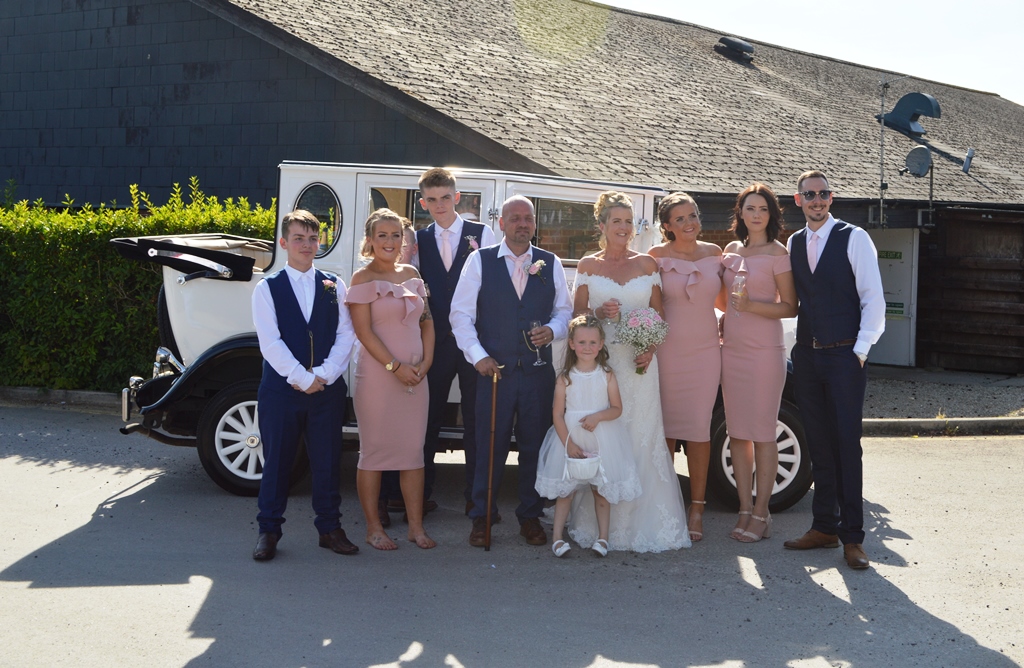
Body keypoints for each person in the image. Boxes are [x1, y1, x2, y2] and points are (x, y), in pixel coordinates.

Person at [570, 191, 690, 552]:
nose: (623, 228)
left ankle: (644, 520)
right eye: (616, 221)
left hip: (639, 367)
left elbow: (659, 316)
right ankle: (602, 522)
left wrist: (650, 347)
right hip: (602, 365)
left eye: (629, 221)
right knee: (606, 437)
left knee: (642, 436)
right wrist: (598, 317)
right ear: (603, 226)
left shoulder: (647, 265)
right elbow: (577, 320)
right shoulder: (588, 266)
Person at [450, 195, 572, 547]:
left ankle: (530, 516)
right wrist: (478, 356)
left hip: (537, 374)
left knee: (535, 446)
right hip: (494, 372)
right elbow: (460, 315)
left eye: (528, 218)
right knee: (490, 443)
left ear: (535, 224)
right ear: (501, 224)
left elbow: (564, 310)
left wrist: (554, 330)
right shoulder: (479, 260)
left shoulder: (550, 262)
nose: (522, 224)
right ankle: (482, 516)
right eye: (514, 218)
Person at [783, 170, 885, 570]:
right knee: (818, 444)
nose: (817, 200)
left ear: (832, 197)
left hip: (844, 356)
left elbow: (873, 298)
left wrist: (860, 351)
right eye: (810, 195)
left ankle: (852, 538)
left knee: (846, 446)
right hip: (807, 357)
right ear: (798, 200)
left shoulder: (854, 236)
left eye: (823, 194)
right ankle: (823, 526)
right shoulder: (793, 242)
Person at [251, 209, 358, 561]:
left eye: (313, 239)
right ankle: (269, 530)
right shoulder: (267, 289)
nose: (307, 245)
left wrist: (324, 375)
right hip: (282, 391)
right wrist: (302, 378)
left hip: (326, 392)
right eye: (299, 238)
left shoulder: (334, 284)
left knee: (327, 462)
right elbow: (270, 343)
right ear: (284, 243)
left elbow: (347, 333)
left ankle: (329, 528)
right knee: (278, 462)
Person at [396, 168, 496, 521]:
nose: (439, 205)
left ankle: (477, 499)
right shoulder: (418, 241)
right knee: (428, 418)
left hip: (473, 343)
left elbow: (493, 286)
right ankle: (419, 496)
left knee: (476, 419)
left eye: (445, 197)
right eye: (431, 199)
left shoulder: (481, 234)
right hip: (433, 343)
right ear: (423, 203)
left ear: (457, 197)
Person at [346, 209, 436, 550]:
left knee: (413, 452)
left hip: (416, 377)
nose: (389, 241)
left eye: (395, 235)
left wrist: (426, 362)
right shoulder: (361, 278)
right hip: (378, 380)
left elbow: (427, 322)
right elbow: (364, 332)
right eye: (382, 235)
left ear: (404, 239)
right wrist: (395, 367)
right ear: (370, 240)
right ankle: (374, 529)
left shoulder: (412, 273)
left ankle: (415, 527)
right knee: (375, 453)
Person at [720, 184, 798, 543]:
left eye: (762, 209)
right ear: (741, 213)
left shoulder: (779, 252)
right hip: (731, 351)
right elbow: (723, 298)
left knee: (764, 433)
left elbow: (790, 307)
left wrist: (751, 307)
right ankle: (744, 509)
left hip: (765, 351)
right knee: (737, 432)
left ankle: (763, 512)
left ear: (771, 215)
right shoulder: (730, 251)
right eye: (749, 208)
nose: (755, 214)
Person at [648, 192, 724, 543]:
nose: (689, 223)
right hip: (666, 352)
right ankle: (665, 504)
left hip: (706, 352)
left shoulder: (715, 254)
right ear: (666, 226)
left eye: (692, 215)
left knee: (698, 429)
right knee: (664, 428)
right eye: (679, 219)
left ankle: (696, 506)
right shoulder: (654, 257)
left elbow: (724, 301)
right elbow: (647, 303)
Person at [535, 315, 641, 557]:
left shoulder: (607, 375)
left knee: (600, 490)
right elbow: (557, 415)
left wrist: (598, 417)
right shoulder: (565, 377)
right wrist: (568, 444)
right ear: (571, 344)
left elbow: (617, 408)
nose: (587, 347)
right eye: (582, 342)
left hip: (602, 439)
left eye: (593, 342)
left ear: (601, 344)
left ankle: (603, 538)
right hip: (570, 438)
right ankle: (557, 538)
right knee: (566, 491)